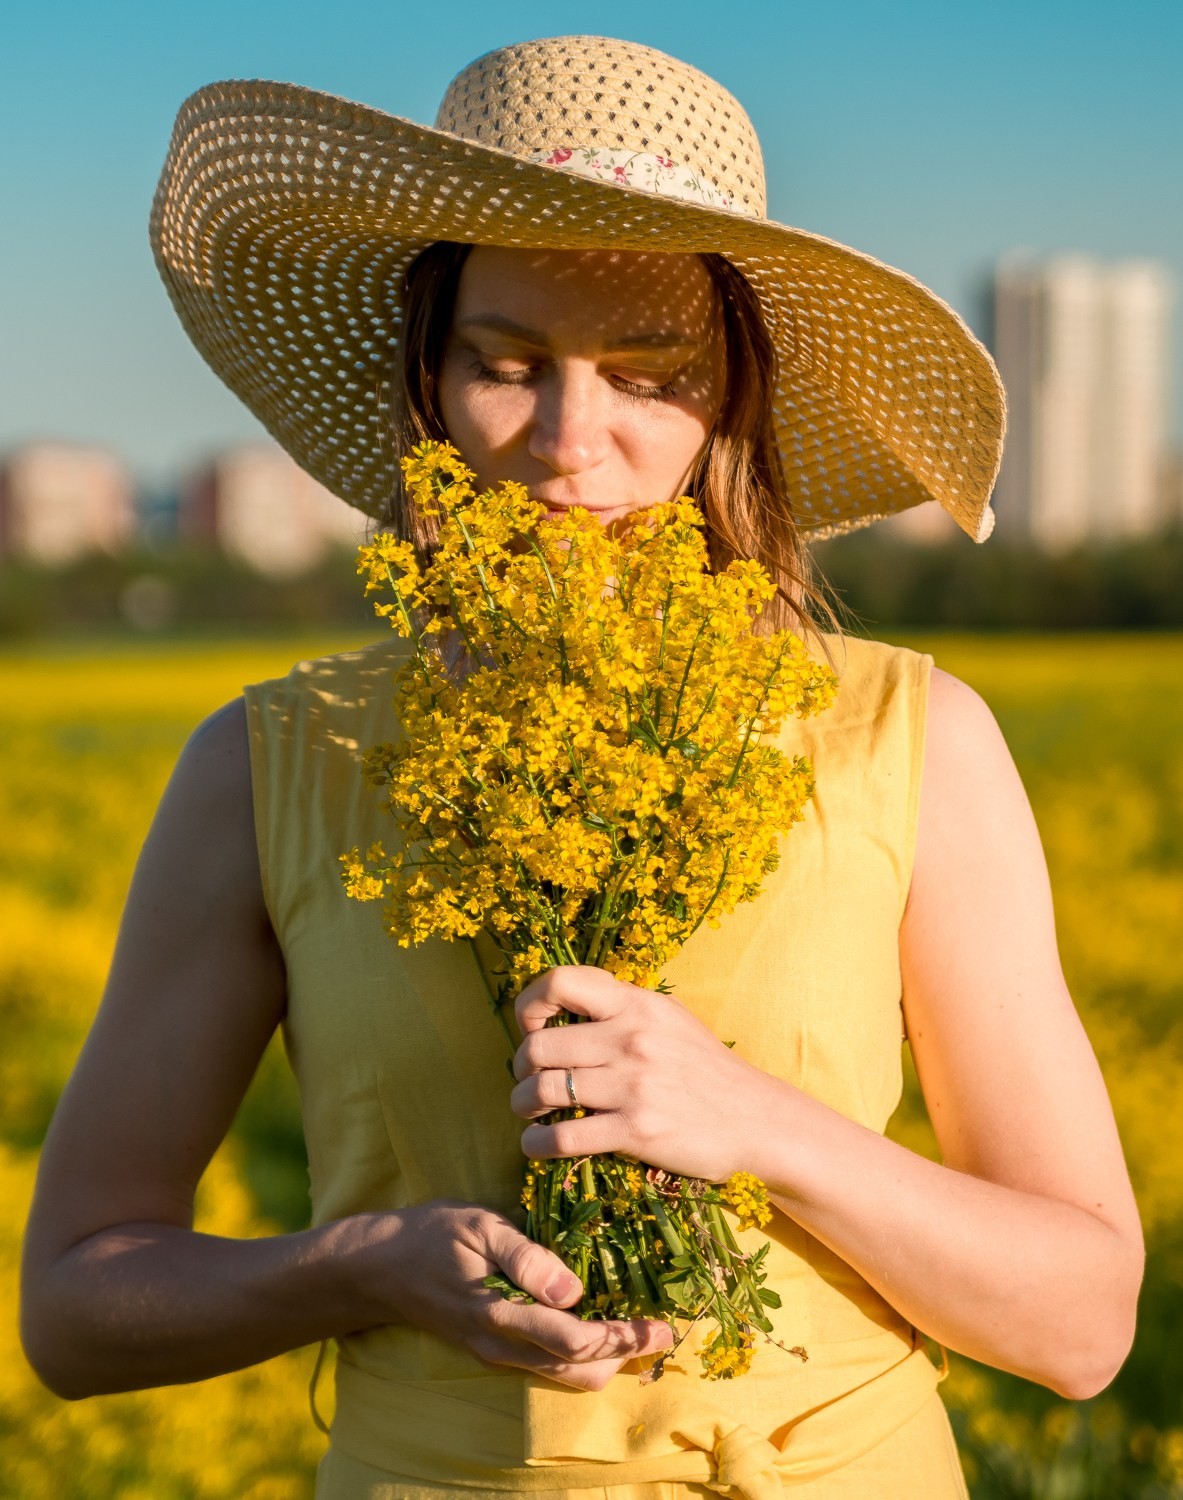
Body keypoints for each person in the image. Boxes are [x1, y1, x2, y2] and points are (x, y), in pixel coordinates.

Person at [20, 34, 1143, 1500]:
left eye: (647, 375)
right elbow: (76, 1312)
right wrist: (359, 1265)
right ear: (423, 380)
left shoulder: (911, 738)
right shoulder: (270, 763)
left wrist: (756, 1126)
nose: (569, 443)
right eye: (504, 365)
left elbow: (1080, 1328)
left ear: (730, 399)